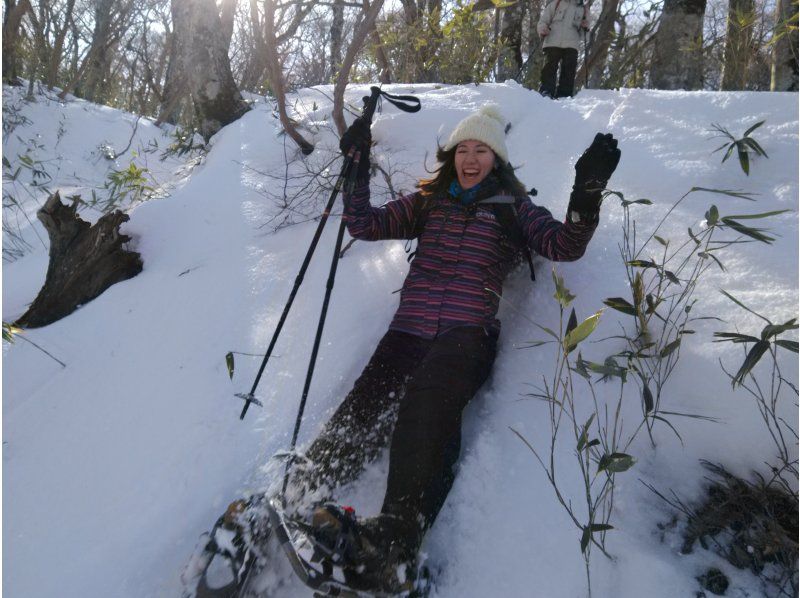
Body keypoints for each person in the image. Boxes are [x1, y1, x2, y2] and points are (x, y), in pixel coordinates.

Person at [288, 105, 620, 593]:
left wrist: (586, 193)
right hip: (407, 330)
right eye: (463, 149)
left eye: (480, 150)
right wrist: (357, 171)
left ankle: (393, 543)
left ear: (496, 159)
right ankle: (301, 494)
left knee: (425, 410)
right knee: (365, 403)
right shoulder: (429, 202)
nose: (470, 157)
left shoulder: (512, 208)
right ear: (451, 157)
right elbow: (363, 224)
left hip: (466, 335)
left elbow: (565, 244)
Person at [537, 0, 590, 99]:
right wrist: (543, 29)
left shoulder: (584, 9)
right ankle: (546, 92)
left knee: (569, 71)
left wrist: (586, 27)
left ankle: (564, 96)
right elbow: (543, 21)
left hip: (572, 44)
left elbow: (585, 36)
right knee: (549, 68)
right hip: (552, 41)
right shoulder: (556, 3)